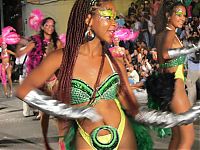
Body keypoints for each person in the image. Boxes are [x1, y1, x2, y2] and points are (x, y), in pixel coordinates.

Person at [16, 1, 200, 150]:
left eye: (115, 18)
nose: (115, 24)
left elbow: (133, 110)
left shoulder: (114, 62)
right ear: (89, 20)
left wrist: (172, 119)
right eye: (108, 17)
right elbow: (24, 90)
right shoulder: (62, 57)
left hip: (123, 134)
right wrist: (70, 111)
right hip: (86, 138)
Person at [146, 1, 199, 149]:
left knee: (177, 136)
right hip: (175, 88)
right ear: (169, 16)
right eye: (179, 14)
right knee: (188, 137)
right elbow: (164, 53)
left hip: (169, 86)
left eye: (184, 15)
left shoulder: (162, 33)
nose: (183, 18)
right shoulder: (169, 33)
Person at [16, 17, 62, 150]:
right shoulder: (35, 42)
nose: (50, 27)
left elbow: (63, 58)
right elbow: (20, 53)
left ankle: (61, 139)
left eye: (52, 25)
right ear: (42, 27)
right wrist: (20, 42)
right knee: (45, 113)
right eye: (47, 25)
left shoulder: (57, 42)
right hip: (42, 81)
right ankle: (45, 139)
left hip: (55, 80)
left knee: (59, 110)